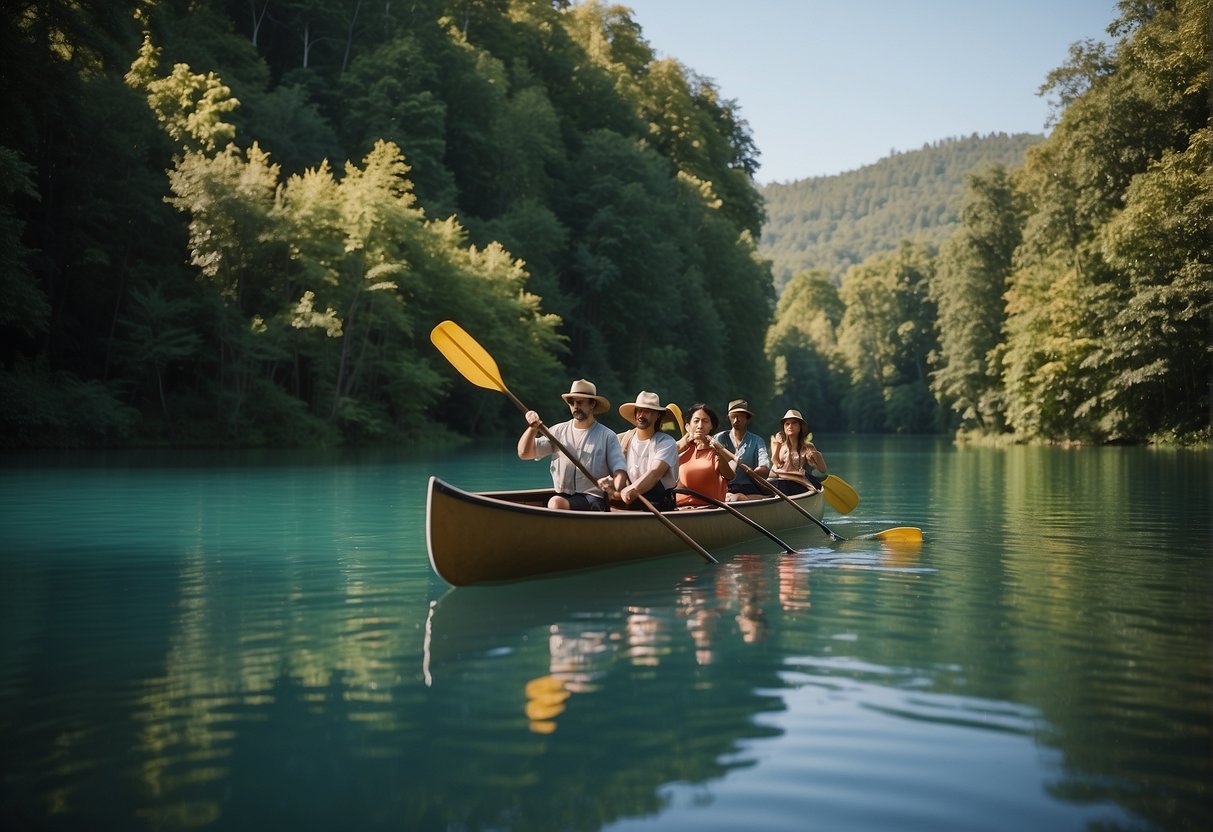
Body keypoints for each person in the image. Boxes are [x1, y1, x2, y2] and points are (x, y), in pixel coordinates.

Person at [518, 379, 626, 511]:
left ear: (592, 404)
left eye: (580, 402)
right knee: (556, 501)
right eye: (571, 402)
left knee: (555, 503)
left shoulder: (608, 436)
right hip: (562, 496)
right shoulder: (557, 431)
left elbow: (620, 472)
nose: (575, 406)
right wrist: (532, 428)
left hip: (593, 499)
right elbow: (524, 453)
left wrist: (612, 482)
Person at [616, 391, 680, 511]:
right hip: (629, 500)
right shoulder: (624, 439)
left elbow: (655, 473)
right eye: (639, 410)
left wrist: (632, 490)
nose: (641, 415)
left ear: (658, 415)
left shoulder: (666, 443)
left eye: (647, 411)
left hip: (658, 503)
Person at [675, 403, 735, 508]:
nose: (700, 426)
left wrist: (718, 451)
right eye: (696, 421)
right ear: (687, 426)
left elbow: (730, 475)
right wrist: (682, 444)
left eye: (705, 421)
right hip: (680, 508)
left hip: (708, 508)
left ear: (711, 426)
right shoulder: (678, 448)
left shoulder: (716, 451)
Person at [712, 399, 771, 501]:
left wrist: (756, 471)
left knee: (738, 498)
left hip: (749, 488)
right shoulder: (718, 438)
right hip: (724, 488)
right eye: (733, 417)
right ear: (729, 418)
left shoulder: (757, 441)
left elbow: (764, 465)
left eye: (740, 417)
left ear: (747, 419)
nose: (736, 420)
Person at [769, 408, 827, 495]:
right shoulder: (780, 444)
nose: (790, 426)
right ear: (784, 427)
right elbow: (775, 463)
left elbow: (823, 470)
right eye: (787, 424)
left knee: (783, 485)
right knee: (777, 484)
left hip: (799, 484)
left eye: (794, 423)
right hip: (780, 482)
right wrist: (777, 445)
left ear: (800, 426)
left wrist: (814, 455)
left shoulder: (808, 446)